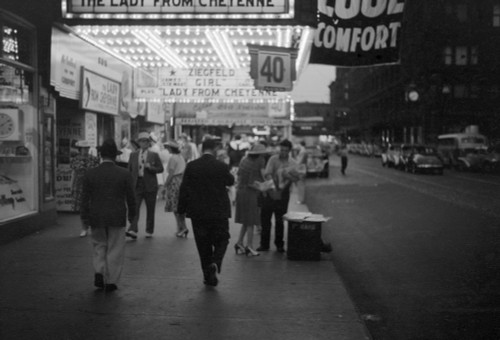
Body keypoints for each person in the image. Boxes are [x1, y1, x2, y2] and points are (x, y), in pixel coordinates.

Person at [80, 139, 136, 292]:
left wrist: (84, 218)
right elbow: (131, 197)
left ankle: (99, 271)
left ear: (100, 154)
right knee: (115, 247)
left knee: (99, 245)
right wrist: (133, 215)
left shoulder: (90, 174)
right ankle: (111, 280)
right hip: (117, 215)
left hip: (96, 215)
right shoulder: (124, 173)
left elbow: (84, 198)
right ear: (115, 156)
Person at [177, 138, 235, 287]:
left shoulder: (191, 166)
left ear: (202, 149)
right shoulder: (221, 166)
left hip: (198, 212)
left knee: (203, 245)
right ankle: (216, 262)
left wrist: (181, 210)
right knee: (223, 238)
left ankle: (208, 276)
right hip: (218, 211)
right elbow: (230, 181)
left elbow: (184, 189)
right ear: (214, 150)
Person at [258, 139, 299, 253]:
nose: (283, 152)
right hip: (271, 191)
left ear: (289, 151)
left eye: (285, 150)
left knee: (279, 220)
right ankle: (264, 244)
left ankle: (279, 245)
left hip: (284, 193)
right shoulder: (273, 159)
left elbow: (296, 179)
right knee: (265, 219)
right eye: (281, 150)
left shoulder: (293, 163)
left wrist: (288, 176)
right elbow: (267, 173)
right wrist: (273, 184)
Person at [126, 132, 164, 239]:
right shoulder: (133, 155)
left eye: (147, 141)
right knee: (135, 207)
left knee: (150, 208)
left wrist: (151, 168)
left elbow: (161, 169)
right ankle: (133, 229)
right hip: (137, 184)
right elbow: (129, 170)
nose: (145, 143)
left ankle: (149, 230)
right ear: (139, 143)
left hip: (150, 184)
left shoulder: (154, 155)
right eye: (142, 141)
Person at [234, 143, 267, 257]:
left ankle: (239, 243)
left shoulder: (244, 160)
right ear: (259, 155)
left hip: (240, 192)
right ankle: (249, 246)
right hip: (250, 194)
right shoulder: (258, 162)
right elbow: (254, 183)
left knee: (245, 221)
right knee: (251, 221)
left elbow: (239, 177)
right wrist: (264, 187)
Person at [70, 140, 100, 237]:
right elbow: (74, 173)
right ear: (80, 149)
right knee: (82, 208)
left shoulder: (94, 159)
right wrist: (72, 186)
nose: (85, 150)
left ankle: (93, 226)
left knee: (93, 207)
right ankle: (84, 227)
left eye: (87, 148)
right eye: (83, 149)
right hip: (79, 185)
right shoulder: (75, 160)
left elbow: (97, 173)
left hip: (92, 185)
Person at [163, 140, 188, 238]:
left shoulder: (173, 158)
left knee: (175, 208)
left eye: (168, 147)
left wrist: (165, 184)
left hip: (174, 182)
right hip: (181, 181)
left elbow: (171, 173)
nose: (167, 149)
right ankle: (181, 228)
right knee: (180, 207)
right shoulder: (181, 157)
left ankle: (182, 227)